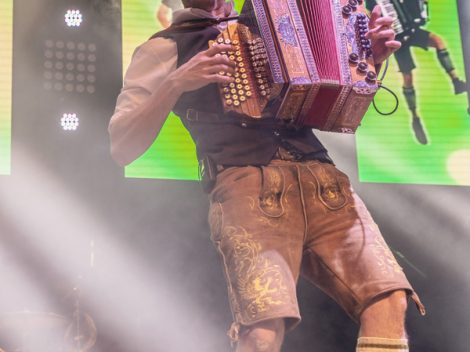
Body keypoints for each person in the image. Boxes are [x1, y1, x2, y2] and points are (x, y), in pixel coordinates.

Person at [109, 1, 425, 351]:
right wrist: (175, 83)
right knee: (262, 329)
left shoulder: (275, 21)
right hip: (247, 188)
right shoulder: (164, 47)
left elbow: (329, 105)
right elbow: (123, 145)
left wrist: (370, 60)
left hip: (323, 181)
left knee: (389, 298)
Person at [366, 0, 467, 145]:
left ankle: (456, 81)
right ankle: (415, 117)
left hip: (411, 30)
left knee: (437, 41)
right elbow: (372, 15)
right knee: (408, 78)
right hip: (397, 37)